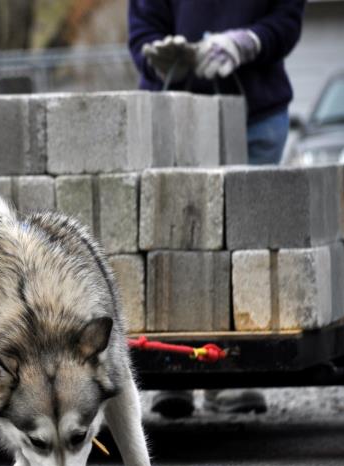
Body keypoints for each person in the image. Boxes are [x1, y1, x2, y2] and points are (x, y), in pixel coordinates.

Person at [128, 0, 305, 417]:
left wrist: (249, 42)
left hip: (256, 113)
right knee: (172, 242)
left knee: (245, 250)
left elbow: (287, 17)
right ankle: (178, 370)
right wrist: (160, 56)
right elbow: (142, 28)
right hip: (175, 112)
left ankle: (226, 375)